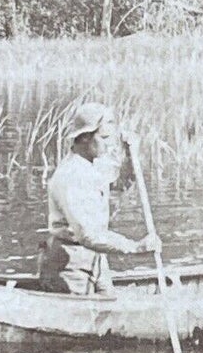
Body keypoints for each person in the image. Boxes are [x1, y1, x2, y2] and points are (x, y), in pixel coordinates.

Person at [39, 101, 160, 296]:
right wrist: (135, 247)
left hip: (96, 260)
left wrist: (130, 156)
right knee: (80, 320)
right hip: (70, 265)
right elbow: (88, 235)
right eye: (104, 138)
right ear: (85, 137)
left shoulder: (93, 165)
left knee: (110, 315)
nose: (109, 143)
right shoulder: (70, 176)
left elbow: (120, 185)